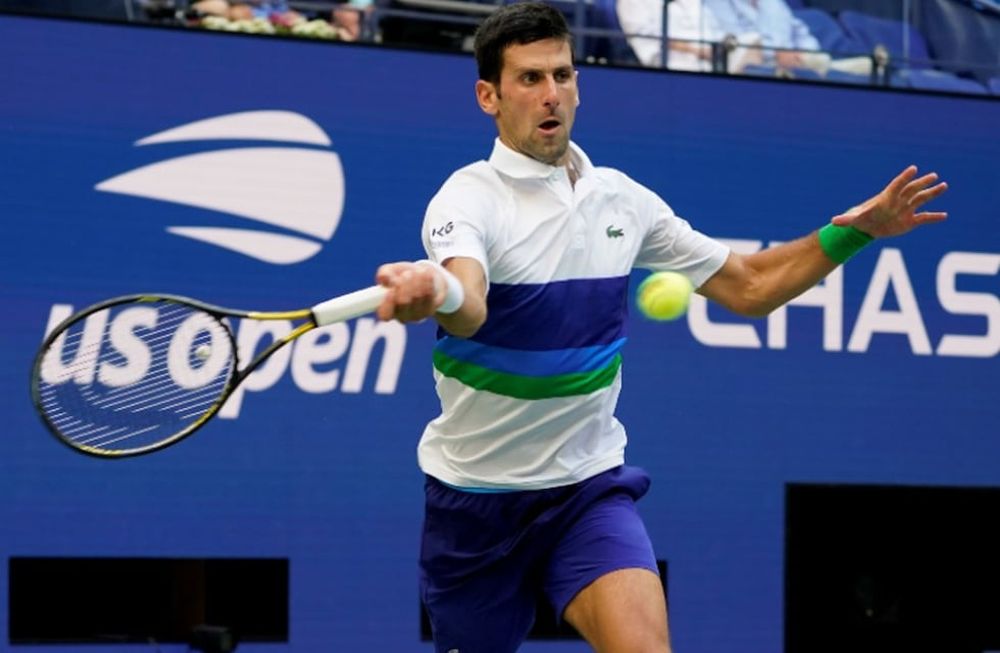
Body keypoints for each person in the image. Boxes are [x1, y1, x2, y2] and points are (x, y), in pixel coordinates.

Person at [372, 3, 947, 652]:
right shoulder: (466, 198)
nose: (551, 93)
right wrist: (436, 288)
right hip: (474, 504)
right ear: (489, 95)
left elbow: (750, 286)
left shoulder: (623, 201)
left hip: (584, 491)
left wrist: (855, 231)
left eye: (562, 75)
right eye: (530, 79)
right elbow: (469, 300)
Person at [616, 0, 762, 72]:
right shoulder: (632, 2)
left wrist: (722, 44)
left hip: (711, 60)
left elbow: (711, 27)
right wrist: (694, 50)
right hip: (671, 64)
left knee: (752, 40)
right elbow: (645, 38)